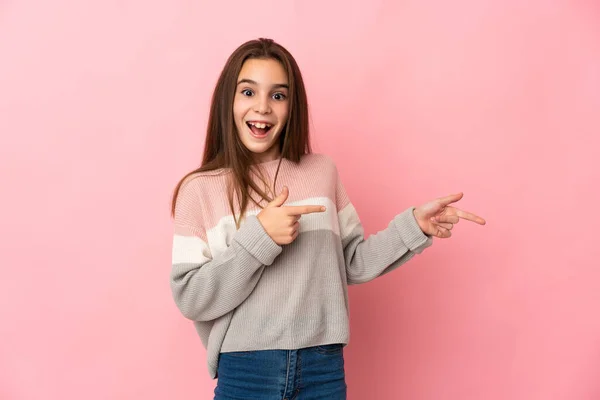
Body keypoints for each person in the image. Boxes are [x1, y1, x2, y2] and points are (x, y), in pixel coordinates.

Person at [169, 37, 486, 400]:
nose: (263, 107)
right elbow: (190, 296)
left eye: (278, 95)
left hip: (323, 369)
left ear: (292, 105)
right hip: (247, 370)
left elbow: (349, 262)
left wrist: (413, 226)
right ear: (228, 100)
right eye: (247, 92)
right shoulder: (200, 189)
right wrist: (259, 240)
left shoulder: (321, 172)